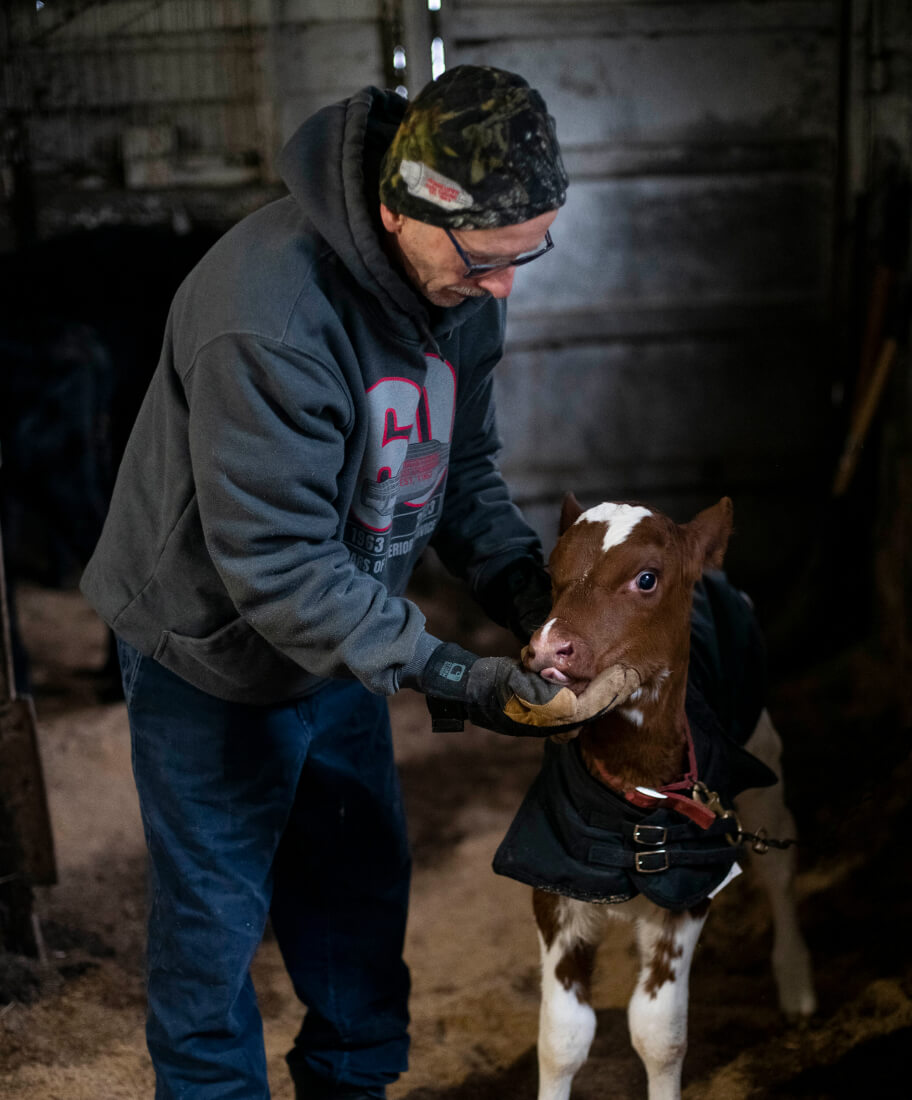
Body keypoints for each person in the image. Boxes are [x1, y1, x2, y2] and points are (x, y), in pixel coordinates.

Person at [80, 65, 616, 1100]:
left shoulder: (461, 289)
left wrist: (528, 598)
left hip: (344, 637)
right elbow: (276, 567)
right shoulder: (268, 316)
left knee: (358, 898)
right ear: (403, 205)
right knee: (215, 924)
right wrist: (457, 674)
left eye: (528, 253)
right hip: (214, 652)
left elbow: (460, 471)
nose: (507, 286)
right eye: (490, 258)